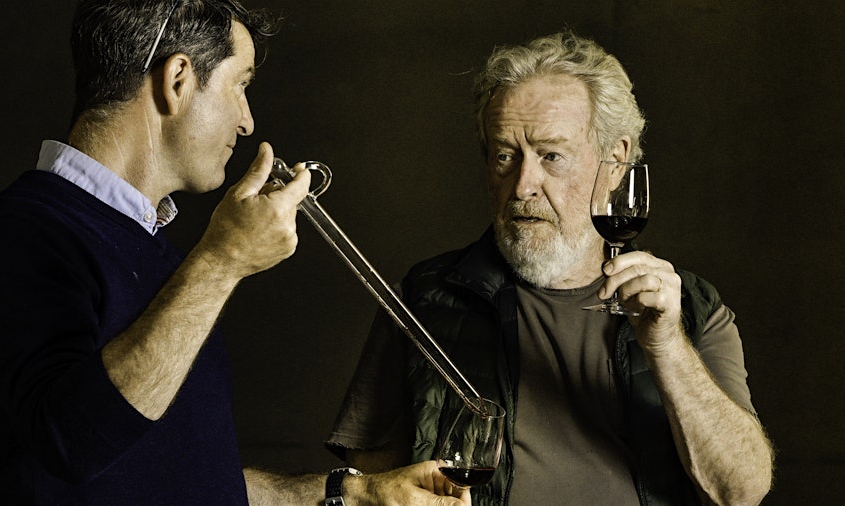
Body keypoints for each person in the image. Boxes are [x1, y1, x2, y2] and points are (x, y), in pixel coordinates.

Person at [0, 1, 469, 504]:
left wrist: (353, 492)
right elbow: (73, 444)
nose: (247, 122)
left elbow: (179, 478)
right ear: (177, 80)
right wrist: (222, 261)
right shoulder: (21, 235)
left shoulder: (153, 252)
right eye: (240, 85)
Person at [326, 32, 775, 505]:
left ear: (616, 160)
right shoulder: (420, 302)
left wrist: (665, 347)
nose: (523, 186)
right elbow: (370, 489)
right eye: (505, 155)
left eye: (551, 156)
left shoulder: (691, 306)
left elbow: (740, 491)